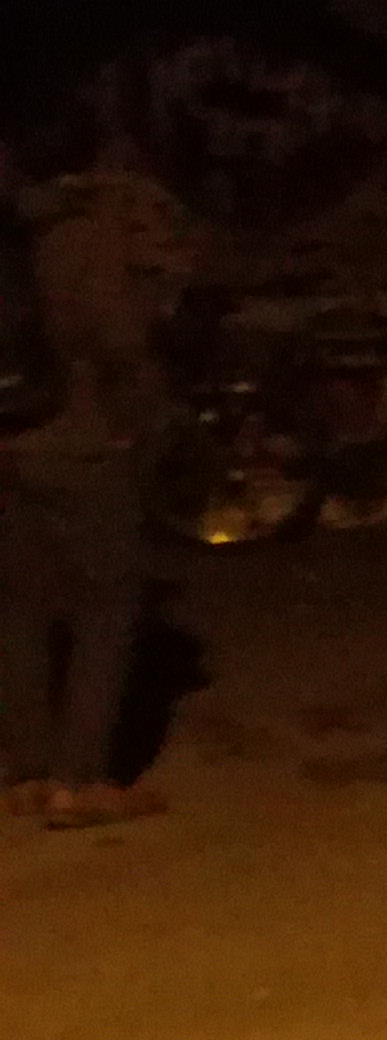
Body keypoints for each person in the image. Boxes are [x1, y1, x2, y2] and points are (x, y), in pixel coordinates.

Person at [2, 140, 177, 827]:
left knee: (21, 608)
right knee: (106, 606)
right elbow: (118, 338)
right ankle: (79, 780)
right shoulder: (82, 234)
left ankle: (27, 772)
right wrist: (134, 421)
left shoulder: (16, 230)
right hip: (81, 440)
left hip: (11, 438)